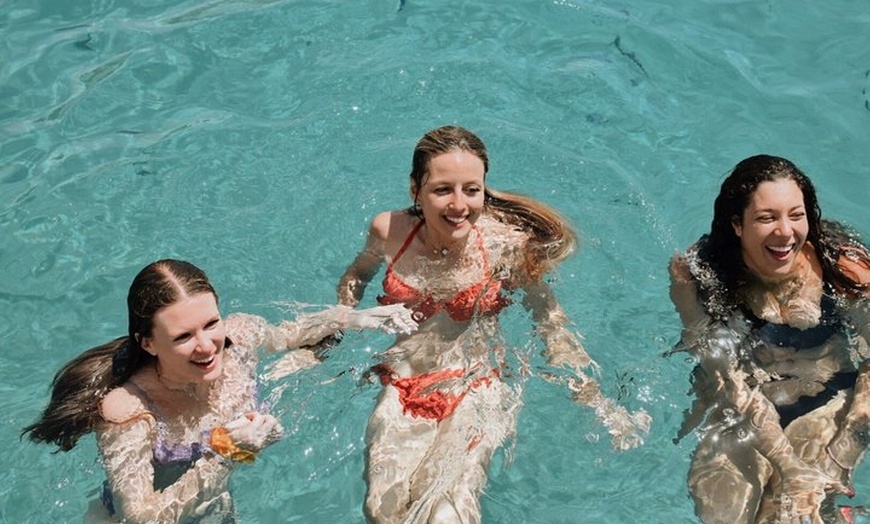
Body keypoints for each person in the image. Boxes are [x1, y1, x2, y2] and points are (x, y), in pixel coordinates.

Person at [337, 125, 651, 523]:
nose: (459, 204)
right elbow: (354, 278)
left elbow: (549, 320)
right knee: (382, 512)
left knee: (448, 513)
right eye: (442, 189)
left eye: (472, 189)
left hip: (476, 387)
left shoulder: (505, 246)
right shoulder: (388, 231)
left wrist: (595, 398)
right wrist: (332, 333)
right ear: (415, 189)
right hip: (401, 385)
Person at [22, 259, 415, 523]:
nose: (208, 345)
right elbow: (139, 518)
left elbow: (290, 334)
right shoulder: (128, 410)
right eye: (183, 336)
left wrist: (358, 317)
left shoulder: (238, 337)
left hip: (216, 505)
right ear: (147, 344)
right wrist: (228, 452)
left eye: (211, 323)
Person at [668, 154, 870, 523]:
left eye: (796, 215)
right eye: (767, 218)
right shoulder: (695, 276)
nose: (785, 232)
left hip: (825, 400)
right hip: (738, 407)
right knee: (722, 514)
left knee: (797, 515)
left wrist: (843, 450)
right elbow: (722, 371)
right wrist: (786, 465)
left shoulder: (843, 268)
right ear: (737, 225)